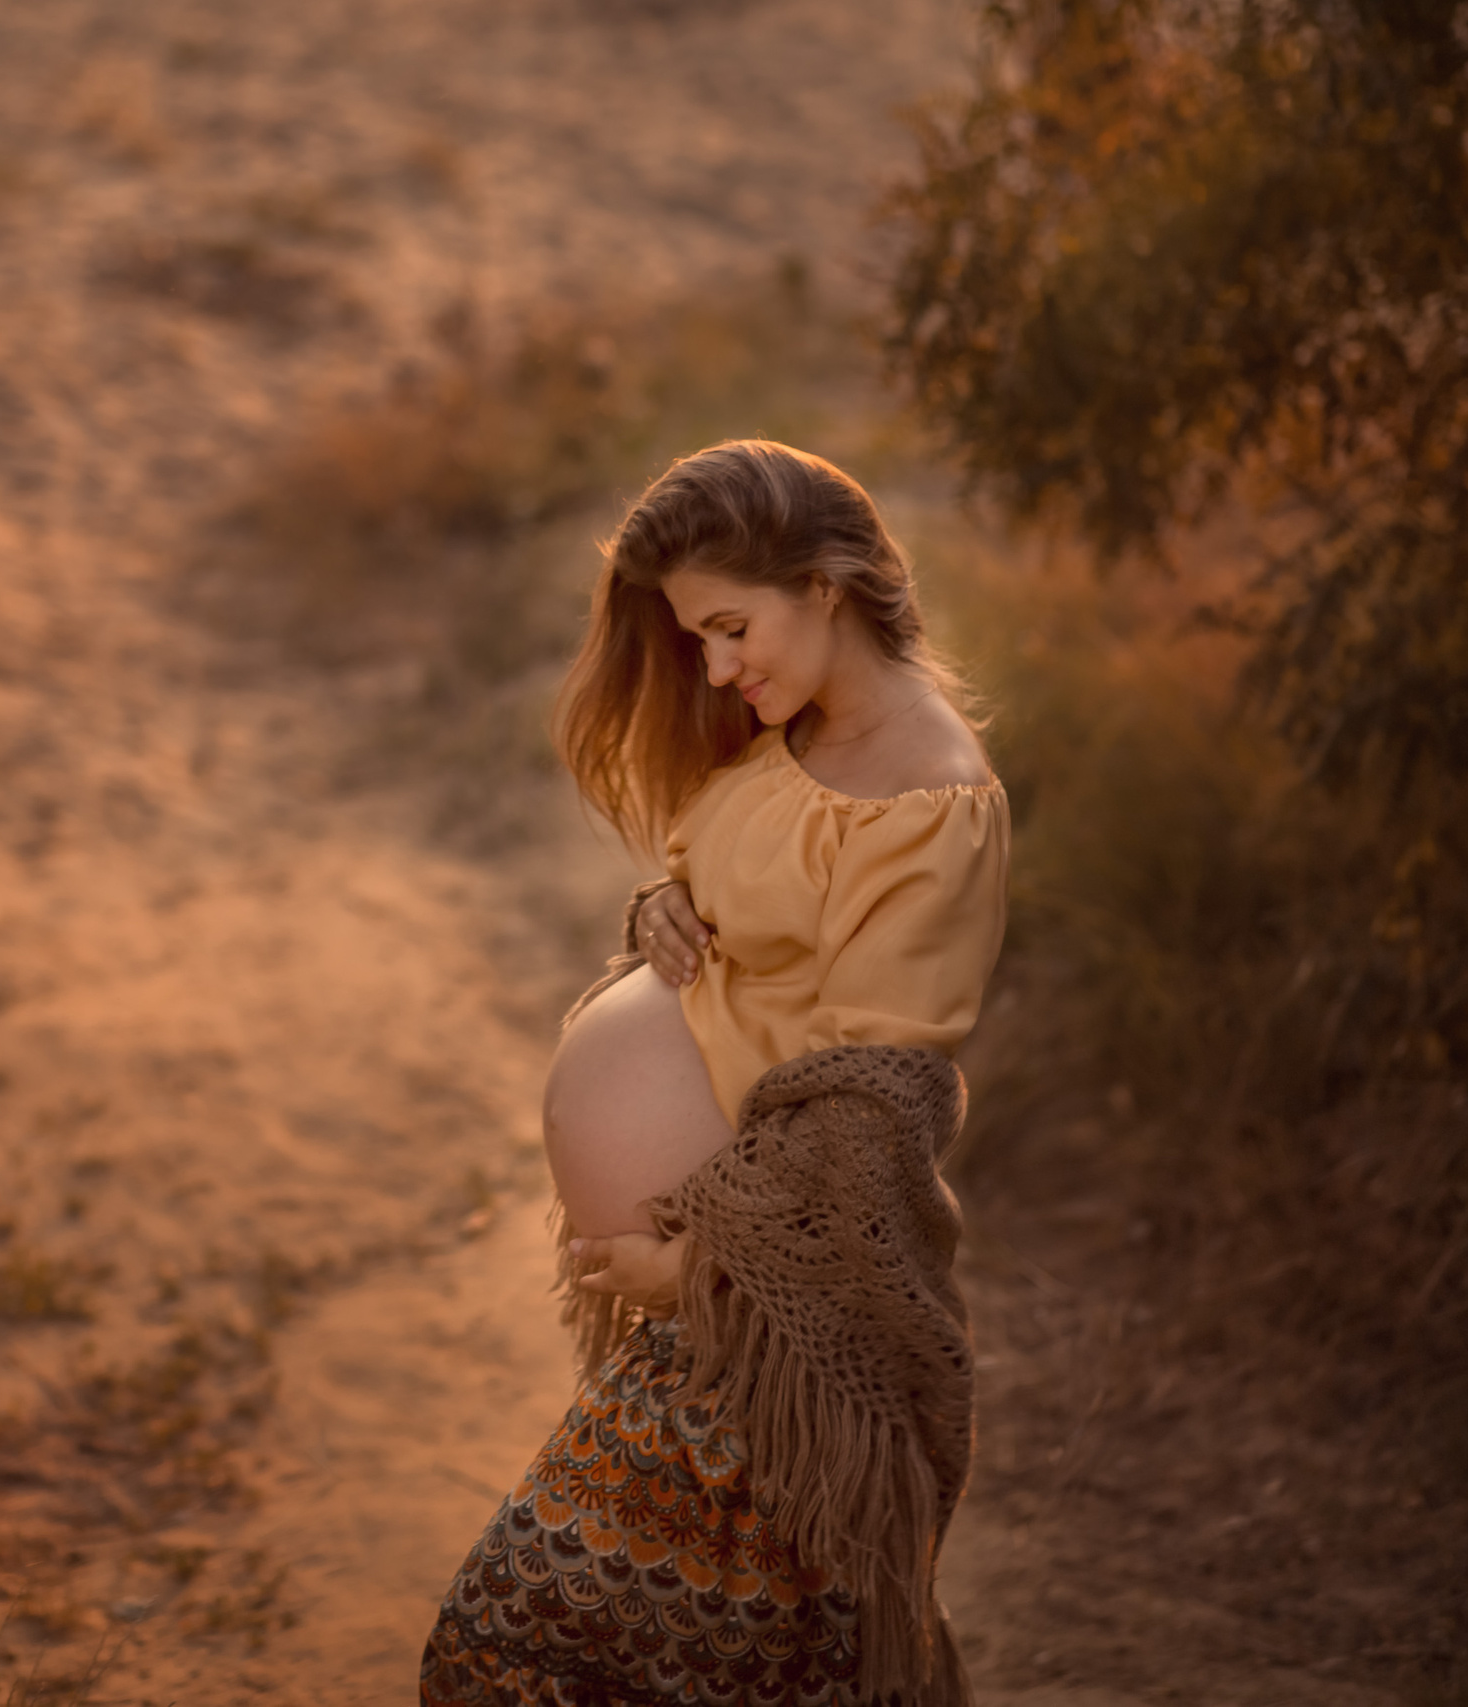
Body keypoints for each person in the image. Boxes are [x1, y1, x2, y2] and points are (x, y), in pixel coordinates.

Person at [420, 440, 1010, 1706]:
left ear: (829, 581)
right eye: (697, 639)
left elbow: (872, 1118)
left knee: (507, 1653)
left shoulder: (928, 800)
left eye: (732, 626)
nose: (717, 666)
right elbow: (740, 910)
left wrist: (697, 1272)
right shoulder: (789, 737)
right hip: (717, 1327)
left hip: (774, 1332)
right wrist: (661, 914)